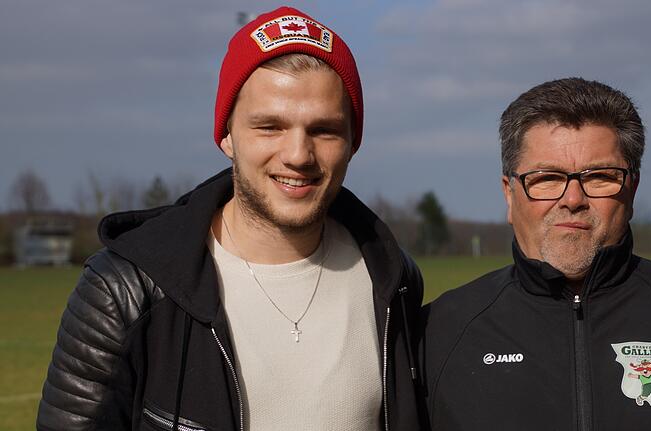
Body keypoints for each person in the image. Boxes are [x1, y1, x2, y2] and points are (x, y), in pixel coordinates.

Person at [37, 7, 423, 431]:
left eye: (324, 130)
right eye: (270, 127)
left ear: (352, 142)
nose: (298, 155)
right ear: (226, 136)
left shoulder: (392, 279)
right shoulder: (126, 291)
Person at [419, 77, 651, 430]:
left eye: (600, 176)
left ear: (631, 190)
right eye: (547, 178)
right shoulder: (438, 334)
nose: (573, 200)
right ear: (510, 195)